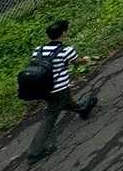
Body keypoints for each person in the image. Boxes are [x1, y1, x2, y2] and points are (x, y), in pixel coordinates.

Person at [25, 19, 97, 162]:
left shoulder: (38, 50)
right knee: (50, 117)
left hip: (43, 89)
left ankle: (83, 109)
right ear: (63, 34)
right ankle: (34, 152)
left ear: (47, 36)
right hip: (60, 89)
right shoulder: (66, 50)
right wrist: (85, 59)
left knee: (65, 102)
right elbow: (77, 62)